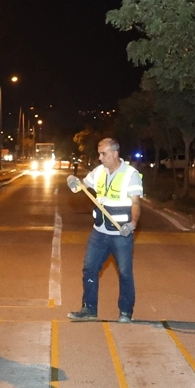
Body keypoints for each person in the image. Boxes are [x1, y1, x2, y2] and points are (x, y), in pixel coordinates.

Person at [67, 137, 143, 323]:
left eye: (104, 154)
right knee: (89, 269)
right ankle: (89, 309)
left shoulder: (130, 174)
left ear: (115, 154)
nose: (100, 158)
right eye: (99, 153)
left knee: (125, 273)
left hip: (121, 234)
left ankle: (125, 312)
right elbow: (83, 187)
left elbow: (135, 203)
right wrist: (74, 183)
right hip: (99, 232)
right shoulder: (99, 172)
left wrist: (132, 224)